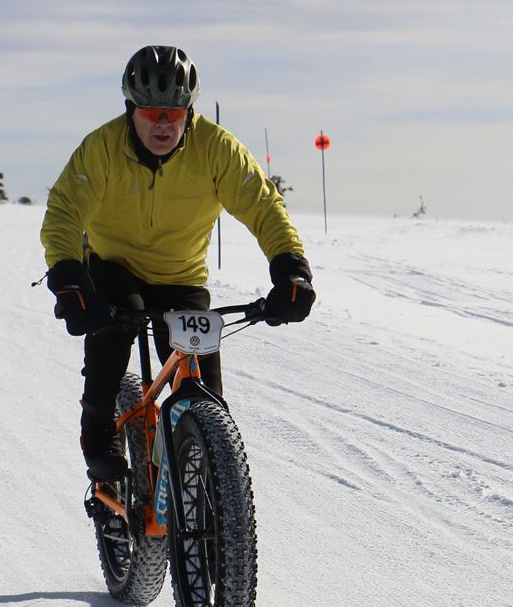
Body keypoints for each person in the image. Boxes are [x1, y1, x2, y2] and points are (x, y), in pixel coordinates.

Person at [42, 44, 315, 479]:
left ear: (190, 110)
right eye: (151, 113)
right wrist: (70, 278)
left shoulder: (216, 148)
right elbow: (64, 212)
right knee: (117, 322)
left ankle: (209, 477)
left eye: (174, 111)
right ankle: (97, 427)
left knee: (204, 391)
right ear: (131, 110)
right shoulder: (103, 148)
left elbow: (263, 206)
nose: (164, 123)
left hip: (181, 276)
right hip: (115, 266)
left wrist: (291, 269)